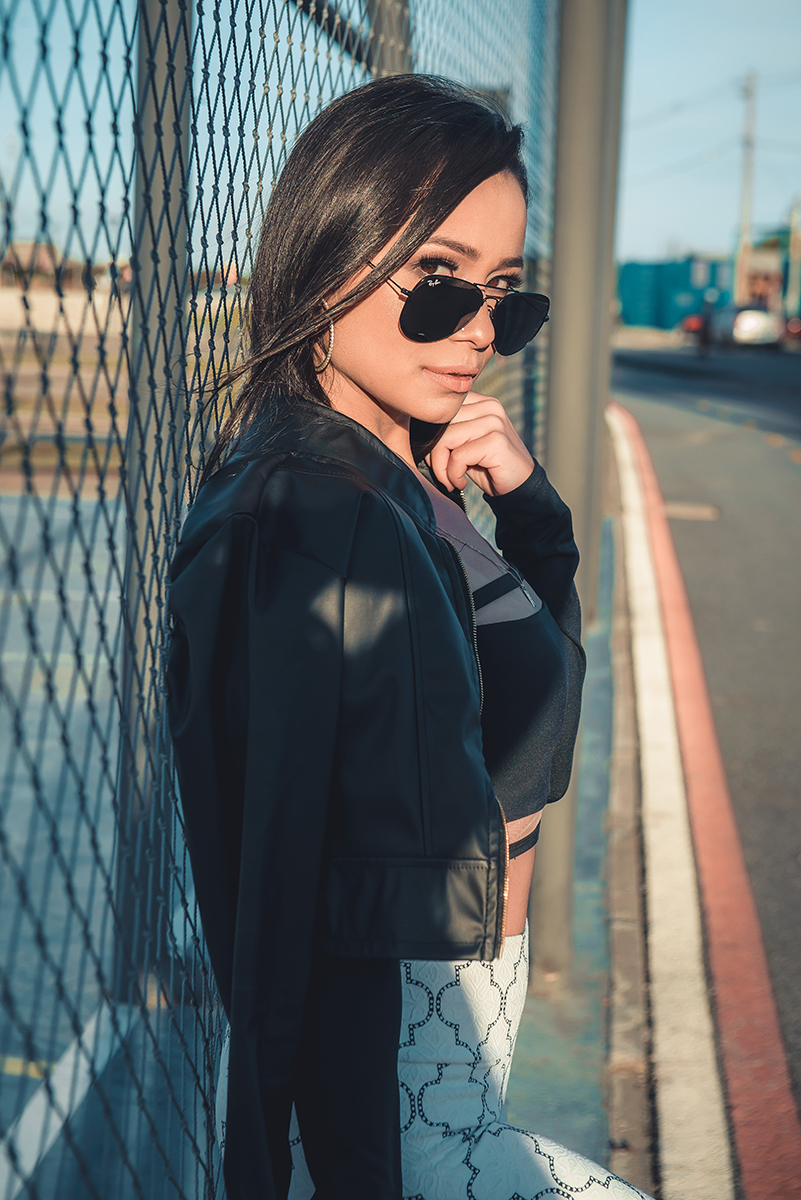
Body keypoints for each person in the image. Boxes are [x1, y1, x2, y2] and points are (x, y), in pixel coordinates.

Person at [166, 75, 652, 1200]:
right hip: (396, 1094)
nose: (480, 330)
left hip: (466, 1050)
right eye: (438, 284)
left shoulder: (397, 478)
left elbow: (534, 695)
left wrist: (530, 515)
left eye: (502, 296)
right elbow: (280, 905)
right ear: (328, 257)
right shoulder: (311, 523)